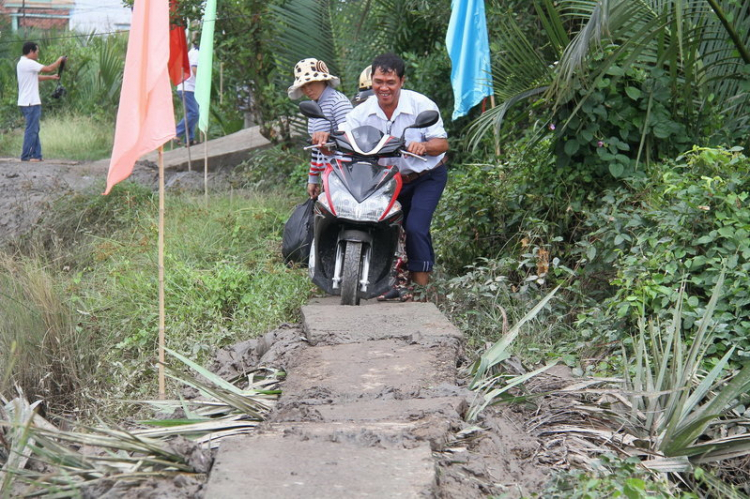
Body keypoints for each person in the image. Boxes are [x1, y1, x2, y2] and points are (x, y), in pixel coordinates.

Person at [345, 52, 449, 294]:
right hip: (388, 181)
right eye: (379, 82)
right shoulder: (362, 112)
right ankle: (389, 284)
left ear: (402, 81)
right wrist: (324, 137)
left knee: (415, 227)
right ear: (372, 81)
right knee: (382, 227)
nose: (384, 88)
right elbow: (343, 134)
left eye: (390, 82)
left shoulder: (421, 105)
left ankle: (421, 293)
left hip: (426, 177)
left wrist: (423, 145)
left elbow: (442, 145)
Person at [287, 58, 352, 199]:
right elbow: (316, 148)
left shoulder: (338, 102)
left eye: (310, 83)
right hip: (328, 177)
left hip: (346, 176)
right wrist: (313, 179)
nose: (307, 90)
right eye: (303, 86)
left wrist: (329, 140)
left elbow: (350, 140)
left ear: (323, 80)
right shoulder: (314, 106)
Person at [16, 42, 66, 162]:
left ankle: (36, 155)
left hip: (26, 102)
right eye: (37, 51)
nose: (38, 54)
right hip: (31, 102)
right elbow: (48, 68)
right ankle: (26, 156)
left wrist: (51, 77)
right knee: (31, 130)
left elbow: (35, 77)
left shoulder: (21, 63)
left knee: (35, 129)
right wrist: (59, 60)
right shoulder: (28, 63)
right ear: (31, 51)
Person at [175, 43, 199, 146]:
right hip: (188, 87)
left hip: (187, 87)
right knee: (194, 113)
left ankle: (189, 139)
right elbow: (194, 69)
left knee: (191, 113)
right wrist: (202, 81)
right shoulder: (196, 52)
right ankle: (177, 132)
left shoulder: (192, 52)